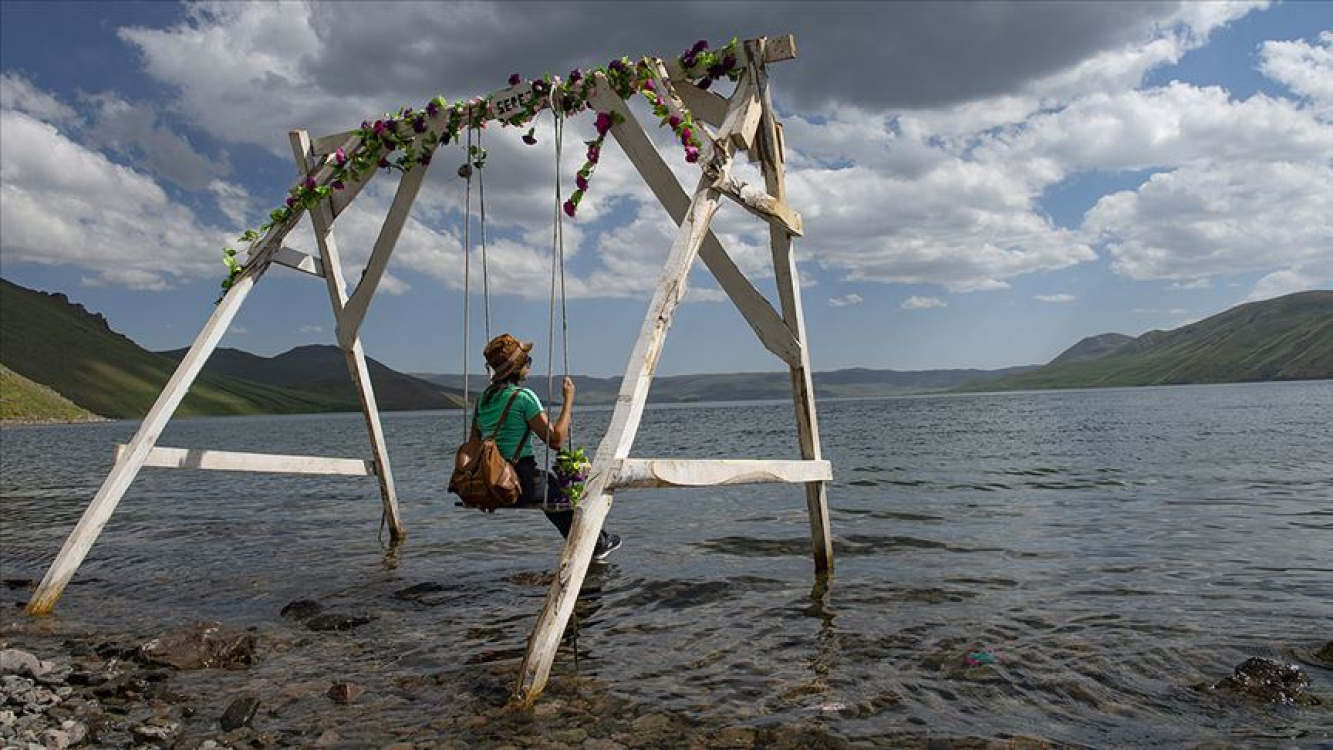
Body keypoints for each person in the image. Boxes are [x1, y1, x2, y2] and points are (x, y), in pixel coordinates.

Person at [473, 333, 622, 561]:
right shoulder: (523, 397)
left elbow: (475, 444)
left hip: (491, 480)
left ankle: (592, 547)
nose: (530, 365)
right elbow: (556, 441)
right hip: (520, 482)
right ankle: (597, 543)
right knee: (563, 494)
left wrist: (487, 489)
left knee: (552, 488)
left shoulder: (482, 399)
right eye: (527, 361)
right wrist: (569, 399)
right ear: (519, 367)